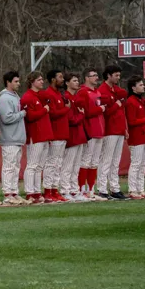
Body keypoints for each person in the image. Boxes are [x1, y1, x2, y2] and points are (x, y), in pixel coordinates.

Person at [19, 71, 52, 205]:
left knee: (39, 166)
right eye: (39, 80)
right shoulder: (28, 97)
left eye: (42, 79)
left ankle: (37, 192)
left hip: (44, 135)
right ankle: (29, 193)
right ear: (32, 81)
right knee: (32, 165)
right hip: (35, 135)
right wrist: (44, 109)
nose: (42, 82)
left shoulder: (40, 96)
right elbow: (30, 116)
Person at [75, 69, 107, 201]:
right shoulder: (83, 91)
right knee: (86, 160)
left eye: (96, 75)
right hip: (90, 130)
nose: (96, 77)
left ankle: (91, 189)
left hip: (99, 130)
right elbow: (85, 112)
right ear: (86, 78)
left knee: (94, 162)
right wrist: (100, 109)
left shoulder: (97, 91)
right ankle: (82, 189)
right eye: (93, 76)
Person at [97, 65, 129, 200]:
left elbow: (122, 112)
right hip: (109, 130)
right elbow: (106, 112)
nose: (118, 77)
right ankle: (102, 189)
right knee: (106, 160)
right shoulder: (102, 90)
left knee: (115, 161)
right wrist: (116, 104)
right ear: (108, 75)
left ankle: (115, 188)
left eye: (119, 75)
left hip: (119, 129)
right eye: (116, 75)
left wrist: (125, 128)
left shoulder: (117, 90)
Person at [39, 69, 70, 203]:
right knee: (51, 163)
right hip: (55, 134)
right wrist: (66, 108)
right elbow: (53, 113)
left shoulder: (59, 93)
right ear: (53, 79)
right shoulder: (48, 94)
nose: (62, 79)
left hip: (62, 133)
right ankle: (47, 191)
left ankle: (54, 189)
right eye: (60, 77)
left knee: (58, 163)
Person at [0, 71, 26, 205]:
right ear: (8, 82)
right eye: (16, 81)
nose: (18, 84)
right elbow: (7, 118)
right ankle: (7, 194)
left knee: (16, 167)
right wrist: (22, 113)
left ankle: (14, 192)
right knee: (9, 166)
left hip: (17, 137)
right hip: (9, 137)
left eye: (18, 81)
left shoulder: (15, 97)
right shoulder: (4, 98)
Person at [124, 75, 145, 199]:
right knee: (136, 163)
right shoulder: (130, 101)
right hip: (137, 138)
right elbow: (131, 121)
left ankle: (141, 189)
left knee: (143, 164)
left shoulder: (142, 101)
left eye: (143, 84)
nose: (143, 86)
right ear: (133, 88)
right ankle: (132, 190)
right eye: (140, 85)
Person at [61, 74, 88, 202]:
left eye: (78, 80)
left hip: (79, 134)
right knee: (68, 165)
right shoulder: (66, 97)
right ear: (67, 83)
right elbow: (71, 119)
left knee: (76, 165)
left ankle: (74, 190)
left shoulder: (76, 97)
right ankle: (65, 190)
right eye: (74, 80)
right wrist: (82, 115)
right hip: (71, 135)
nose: (77, 83)